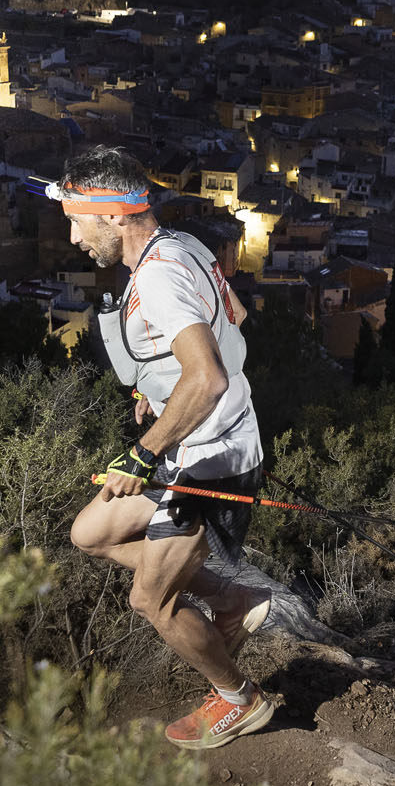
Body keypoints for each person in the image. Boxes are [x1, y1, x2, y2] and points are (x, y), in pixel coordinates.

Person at [57, 145, 274, 750]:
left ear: (115, 214)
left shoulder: (156, 276)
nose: (74, 238)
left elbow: (208, 378)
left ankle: (241, 699)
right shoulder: (179, 245)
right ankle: (233, 600)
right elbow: (233, 315)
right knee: (90, 533)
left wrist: (142, 454)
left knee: (150, 599)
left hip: (212, 460)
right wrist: (157, 387)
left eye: (78, 221)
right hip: (196, 442)